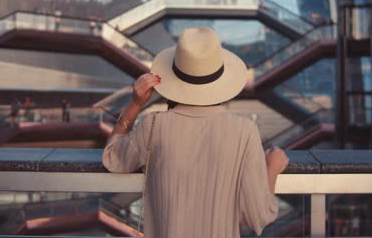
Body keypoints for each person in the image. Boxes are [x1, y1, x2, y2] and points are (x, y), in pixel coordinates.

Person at [102, 28, 287, 238]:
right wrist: (272, 168)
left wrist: (135, 104)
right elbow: (258, 216)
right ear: (221, 80)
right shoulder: (244, 132)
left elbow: (112, 157)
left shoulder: (153, 125)